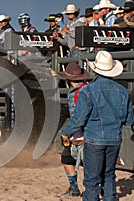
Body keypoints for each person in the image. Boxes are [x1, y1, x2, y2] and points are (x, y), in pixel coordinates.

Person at [59, 51, 134, 201]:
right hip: (114, 139)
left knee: (92, 180)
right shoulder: (123, 92)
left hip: (94, 139)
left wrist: (65, 132)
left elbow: (79, 119)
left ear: (95, 70)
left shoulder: (88, 91)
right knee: (109, 175)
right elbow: (129, 120)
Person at [58, 62, 90, 198]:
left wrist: (66, 132)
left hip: (81, 133)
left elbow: (79, 117)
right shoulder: (87, 89)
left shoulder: (77, 94)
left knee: (68, 158)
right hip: (85, 132)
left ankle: (74, 188)